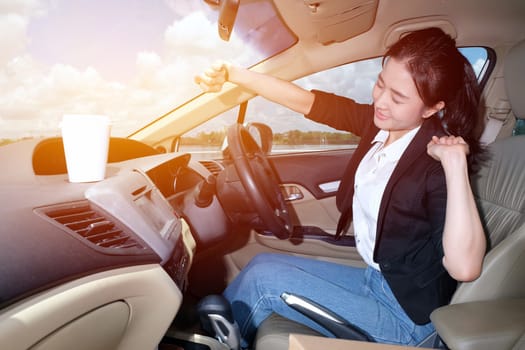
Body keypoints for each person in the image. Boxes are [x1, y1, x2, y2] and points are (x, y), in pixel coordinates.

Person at [195, 27, 487, 347]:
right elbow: (312, 104)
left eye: (398, 97)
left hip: (407, 316)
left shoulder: (435, 164)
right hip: (374, 279)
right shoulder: (379, 126)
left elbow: (465, 267)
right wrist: (234, 74)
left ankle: (209, 343)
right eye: (380, 84)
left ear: (432, 109)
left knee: (263, 283)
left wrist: (455, 164)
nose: (381, 101)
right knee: (261, 264)